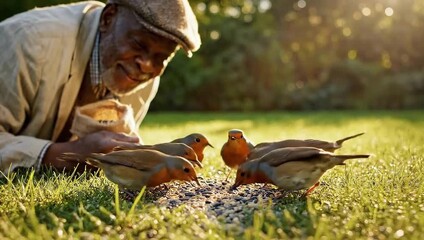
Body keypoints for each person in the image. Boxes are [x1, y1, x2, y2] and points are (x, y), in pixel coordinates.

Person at [0, 0, 201, 175]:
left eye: (161, 58)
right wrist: (62, 155)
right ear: (108, 18)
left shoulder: (142, 75)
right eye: (139, 44)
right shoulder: (29, 42)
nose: (147, 65)